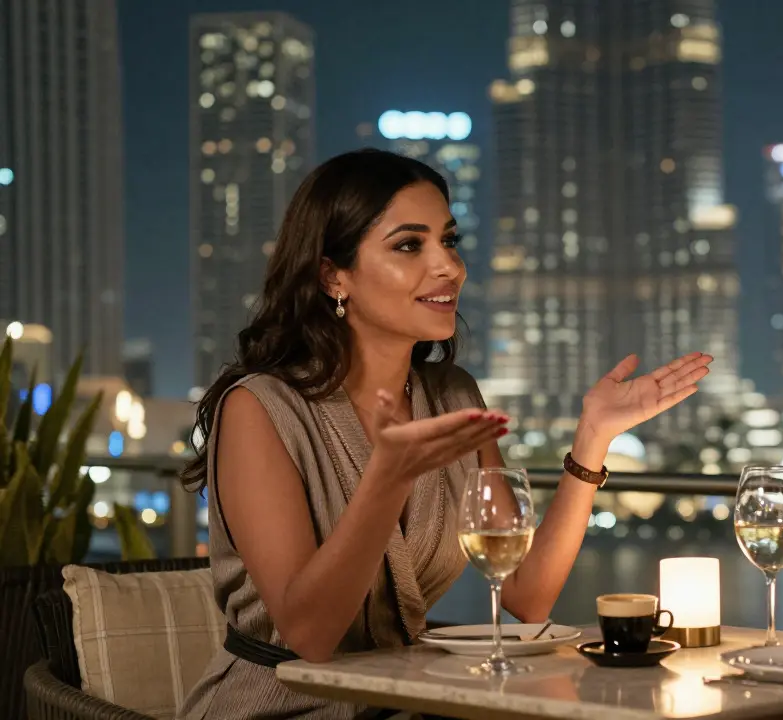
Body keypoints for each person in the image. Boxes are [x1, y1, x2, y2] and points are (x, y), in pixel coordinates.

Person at [177, 149, 712, 719]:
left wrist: (593, 439)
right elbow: (311, 636)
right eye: (410, 245)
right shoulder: (258, 408)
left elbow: (527, 596)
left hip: (408, 696)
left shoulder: (452, 394)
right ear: (334, 276)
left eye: (449, 241)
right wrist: (388, 476)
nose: (449, 267)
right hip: (281, 706)